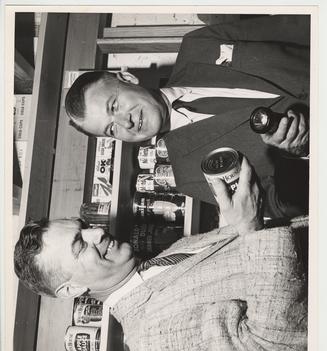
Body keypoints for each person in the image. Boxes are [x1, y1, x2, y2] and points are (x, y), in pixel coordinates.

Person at [14, 157, 308, 351]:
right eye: (81, 245)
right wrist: (252, 230)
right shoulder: (150, 346)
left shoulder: (163, 257)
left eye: (84, 227)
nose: (98, 233)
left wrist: (237, 223)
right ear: (72, 289)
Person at [65, 14, 310, 220]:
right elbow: (281, 206)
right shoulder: (190, 175)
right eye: (111, 130)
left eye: (114, 105)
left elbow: (297, 27)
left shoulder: (198, 45)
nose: (124, 123)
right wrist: (294, 156)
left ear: (128, 79)